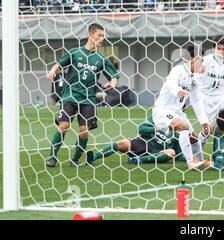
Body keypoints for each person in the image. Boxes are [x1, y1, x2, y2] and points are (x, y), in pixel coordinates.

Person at [46, 23, 120, 167]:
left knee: (84, 132)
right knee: (64, 126)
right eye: (99, 36)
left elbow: (113, 75)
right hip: (70, 96)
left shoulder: (101, 59)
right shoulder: (75, 52)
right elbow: (59, 65)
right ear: (90, 35)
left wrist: (113, 83)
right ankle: (52, 158)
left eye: (103, 36)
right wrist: (52, 71)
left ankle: (75, 160)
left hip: (88, 99)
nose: (101, 39)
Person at [151, 43, 213, 169]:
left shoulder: (195, 77)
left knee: (194, 138)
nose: (202, 65)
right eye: (200, 61)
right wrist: (178, 91)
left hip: (178, 112)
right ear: (192, 60)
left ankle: (200, 160)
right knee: (184, 127)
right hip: (162, 111)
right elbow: (170, 83)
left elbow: (197, 101)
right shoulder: (178, 70)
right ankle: (190, 162)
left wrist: (204, 122)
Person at [86, 115, 185, 166]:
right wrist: (155, 129)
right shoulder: (157, 117)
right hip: (142, 143)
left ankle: (138, 160)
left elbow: (177, 155)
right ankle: (94, 156)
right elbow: (140, 129)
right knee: (122, 143)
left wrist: (191, 160)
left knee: (171, 152)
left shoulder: (179, 131)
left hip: (156, 153)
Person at [197, 35, 224, 148]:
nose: (221, 51)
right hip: (208, 98)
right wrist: (199, 71)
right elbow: (194, 75)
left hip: (223, 96)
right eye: (218, 48)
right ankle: (196, 153)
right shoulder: (205, 60)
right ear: (213, 48)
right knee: (208, 130)